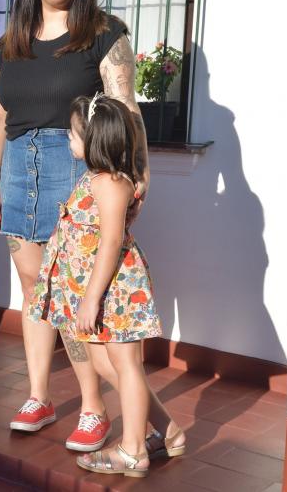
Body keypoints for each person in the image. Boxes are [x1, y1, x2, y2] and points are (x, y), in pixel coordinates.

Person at [0, 0, 151, 452]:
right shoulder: (9, 41)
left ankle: (94, 409)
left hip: (73, 169)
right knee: (36, 295)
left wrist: (138, 175)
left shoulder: (104, 34)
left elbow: (126, 113)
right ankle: (38, 396)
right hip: (17, 168)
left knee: (74, 297)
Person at [29, 93, 183, 478]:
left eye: (74, 133)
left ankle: (133, 449)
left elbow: (111, 241)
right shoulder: (95, 178)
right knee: (101, 361)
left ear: (94, 139)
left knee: (126, 364)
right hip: (96, 292)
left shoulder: (111, 184)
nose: (68, 138)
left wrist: (91, 299)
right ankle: (169, 431)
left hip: (113, 290)